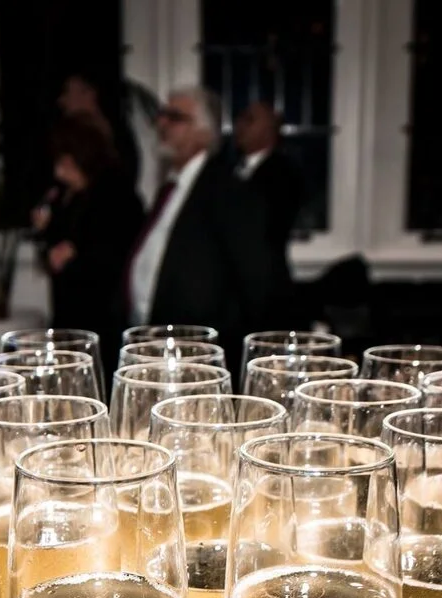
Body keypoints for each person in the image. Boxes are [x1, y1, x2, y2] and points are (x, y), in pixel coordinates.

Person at [125, 86, 272, 379]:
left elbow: (256, 279)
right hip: (157, 344)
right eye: (162, 115)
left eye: (175, 117)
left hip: (199, 354)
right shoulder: (170, 187)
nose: (161, 124)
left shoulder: (228, 191)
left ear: (205, 133)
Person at [35, 116, 144, 336]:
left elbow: (116, 253)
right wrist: (45, 231)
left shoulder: (116, 194)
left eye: (66, 164)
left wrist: (75, 254)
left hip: (103, 312)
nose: (59, 173)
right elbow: (53, 250)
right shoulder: (64, 194)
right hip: (68, 308)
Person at [234, 100, 304, 327]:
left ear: (270, 129)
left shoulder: (283, 174)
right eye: (240, 118)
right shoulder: (229, 169)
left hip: (265, 286)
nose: (240, 125)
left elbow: (267, 230)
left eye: (250, 120)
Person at [56, 71, 140, 193]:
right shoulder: (70, 132)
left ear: (89, 93)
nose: (62, 101)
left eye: (67, 92)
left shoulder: (115, 136)